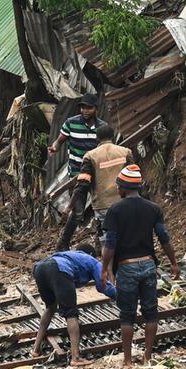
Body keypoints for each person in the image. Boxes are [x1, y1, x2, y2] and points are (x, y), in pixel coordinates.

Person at [101, 165, 180, 367]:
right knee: (150, 313)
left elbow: (110, 244)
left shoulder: (115, 210)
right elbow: (164, 238)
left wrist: (104, 269)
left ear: (123, 188)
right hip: (148, 265)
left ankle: (127, 360)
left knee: (127, 316)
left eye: (118, 186)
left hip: (126, 267)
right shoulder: (153, 209)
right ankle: (147, 357)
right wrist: (173, 262)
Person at [30, 243, 117, 366]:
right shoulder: (92, 260)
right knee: (71, 313)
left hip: (40, 269)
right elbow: (103, 286)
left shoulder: (70, 255)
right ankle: (75, 358)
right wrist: (120, 296)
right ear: (92, 254)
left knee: (50, 307)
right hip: (59, 269)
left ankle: (35, 350)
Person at [49, 93, 108, 251]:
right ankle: (63, 243)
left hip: (97, 175)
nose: (85, 110)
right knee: (77, 212)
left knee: (101, 209)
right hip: (76, 175)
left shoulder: (102, 127)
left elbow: (107, 148)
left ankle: (100, 244)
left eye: (88, 107)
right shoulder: (71, 123)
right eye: (83, 107)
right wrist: (54, 147)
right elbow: (60, 140)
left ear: (96, 109)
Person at [72, 124, 133, 246]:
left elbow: (83, 184)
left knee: (107, 240)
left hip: (102, 204)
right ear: (113, 136)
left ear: (97, 139)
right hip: (125, 202)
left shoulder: (90, 156)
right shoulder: (125, 152)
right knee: (127, 234)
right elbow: (133, 177)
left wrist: (73, 207)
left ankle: (109, 263)